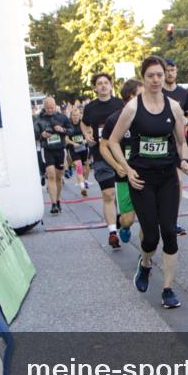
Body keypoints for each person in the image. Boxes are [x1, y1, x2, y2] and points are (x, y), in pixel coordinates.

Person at [107, 56, 188, 309]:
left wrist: (185, 160)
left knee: (169, 231)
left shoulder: (174, 107)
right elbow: (112, 141)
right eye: (151, 75)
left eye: (160, 75)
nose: (156, 80)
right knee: (151, 237)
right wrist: (126, 168)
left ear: (165, 76)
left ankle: (167, 289)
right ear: (143, 78)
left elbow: (180, 141)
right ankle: (144, 264)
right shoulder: (133, 107)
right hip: (141, 180)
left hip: (167, 178)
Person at [82, 73, 125, 247]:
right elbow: (84, 124)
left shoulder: (120, 104)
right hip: (100, 153)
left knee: (119, 194)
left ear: (111, 85)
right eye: (99, 83)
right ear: (95, 87)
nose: (103, 86)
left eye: (106, 83)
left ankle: (120, 218)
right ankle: (112, 233)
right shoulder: (90, 107)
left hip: (120, 153)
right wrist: (86, 134)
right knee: (108, 193)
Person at [100, 79, 142, 249]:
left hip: (146, 174)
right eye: (141, 94)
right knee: (128, 219)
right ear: (130, 96)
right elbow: (103, 146)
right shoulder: (114, 119)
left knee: (148, 219)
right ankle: (123, 225)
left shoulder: (150, 115)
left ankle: (145, 255)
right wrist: (117, 166)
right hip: (124, 175)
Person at [163, 58, 188, 236]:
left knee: (178, 182)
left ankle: (173, 220)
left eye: (173, 70)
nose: (170, 73)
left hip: (179, 143)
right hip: (162, 143)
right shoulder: (159, 92)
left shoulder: (183, 94)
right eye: (167, 70)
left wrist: (183, 120)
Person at [35, 97, 71, 214]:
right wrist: (42, 135)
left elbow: (71, 130)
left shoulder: (62, 117)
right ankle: (54, 204)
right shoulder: (39, 119)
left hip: (60, 149)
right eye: (48, 108)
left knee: (59, 177)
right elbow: (35, 135)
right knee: (51, 175)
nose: (50, 110)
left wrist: (62, 129)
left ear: (55, 106)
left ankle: (58, 199)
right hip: (47, 149)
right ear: (44, 107)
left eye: (52, 107)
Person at [65, 107, 90, 196]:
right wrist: (73, 143)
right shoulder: (68, 125)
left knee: (86, 165)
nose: (75, 117)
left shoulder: (83, 124)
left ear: (80, 115)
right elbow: (66, 139)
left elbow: (90, 132)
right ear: (71, 116)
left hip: (84, 148)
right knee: (78, 166)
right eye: (74, 115)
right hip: (74, 149)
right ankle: (82, 187)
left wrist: (86, 139)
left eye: (77, 115)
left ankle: (86, 181)